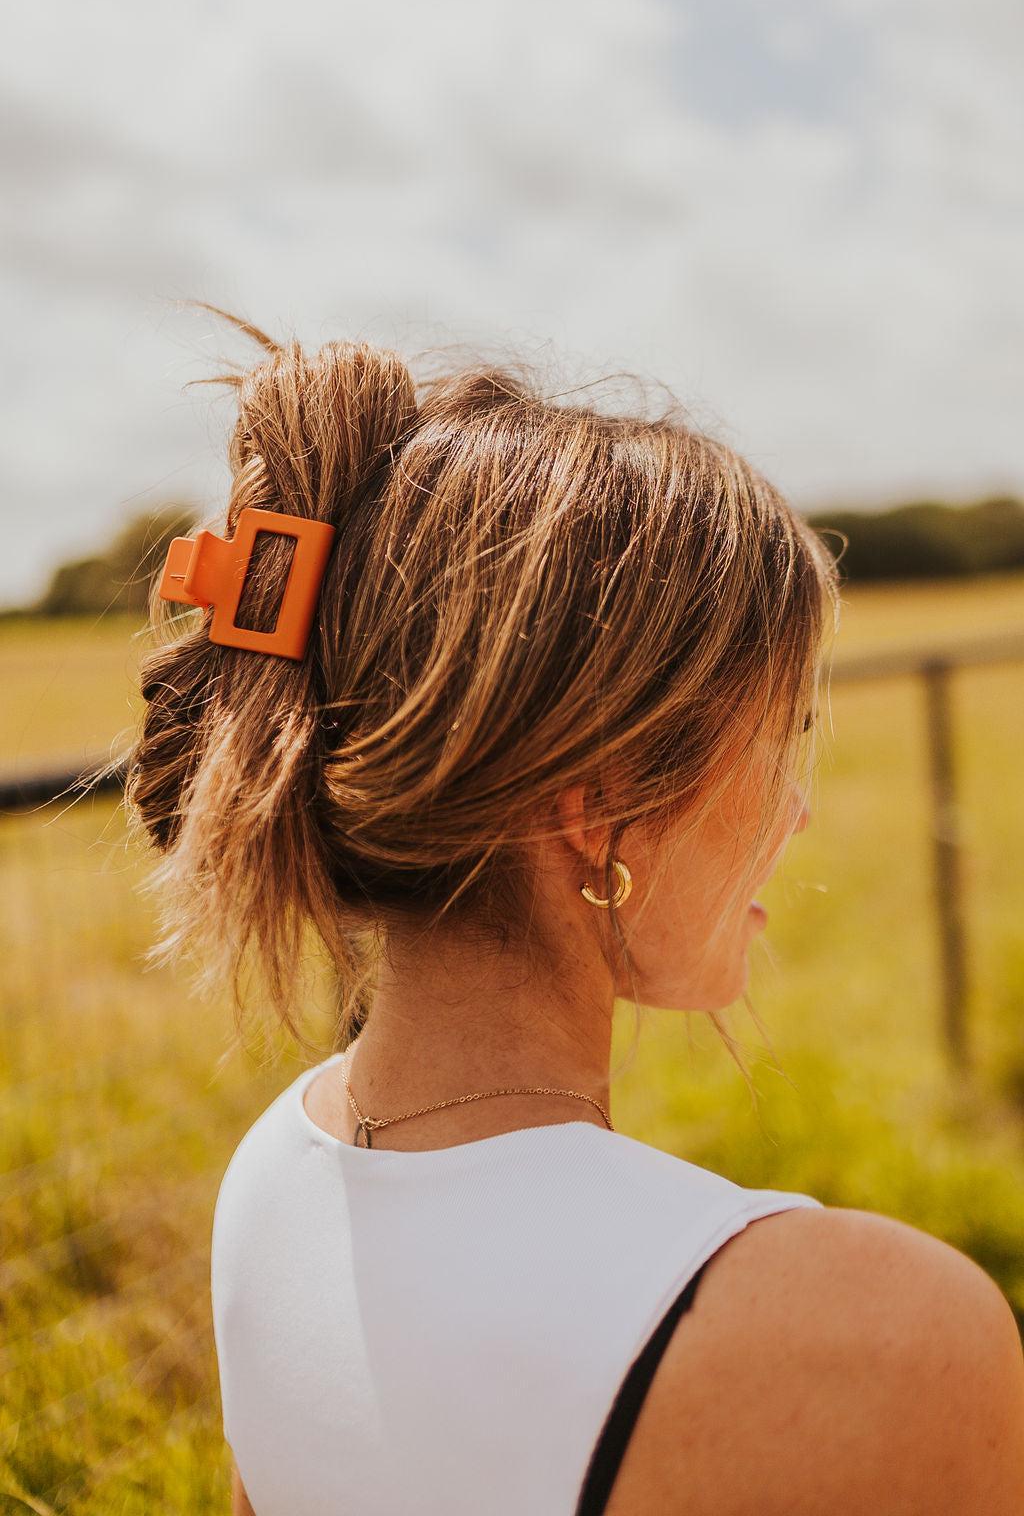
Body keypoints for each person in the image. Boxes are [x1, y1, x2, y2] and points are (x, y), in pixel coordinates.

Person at [127, 307, 1024, 1515]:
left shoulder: (271, 1176)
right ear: (599, 806)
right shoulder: (880, 1336)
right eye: (784, 735)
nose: (799, 809)